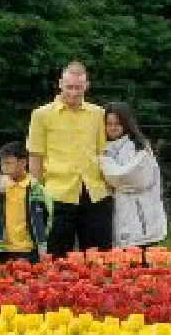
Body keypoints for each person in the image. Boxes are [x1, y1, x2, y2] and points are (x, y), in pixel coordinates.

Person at [26, 61, 112, 257]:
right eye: (70, 87)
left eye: (78, 88)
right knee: (55, 257)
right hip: (56, 194)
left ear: (86, 86)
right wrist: (37, 195)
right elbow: (36, 156)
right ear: (60, 84)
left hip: (94, 193)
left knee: (99, 258)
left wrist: (109, 186)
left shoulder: (98, 114)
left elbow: (102, 153)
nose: (73, 93)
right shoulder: (41, 115)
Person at [99, 102, 167, 256]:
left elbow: (129, 178)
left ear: (127, 124)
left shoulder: (138, 147)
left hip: (141, 219)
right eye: (108, 124)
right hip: (118, 217)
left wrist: (103, 164)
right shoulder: (103, 147)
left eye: (118, 123)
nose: (113, 128)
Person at [0, 142, 54, 264]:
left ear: (23, 163)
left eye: (8, 163)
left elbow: (48, 214)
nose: (4, 167)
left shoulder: (36, 189)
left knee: (30, 280)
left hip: (30, 249)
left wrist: (42, 238)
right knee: (6, 281)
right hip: (4, 249)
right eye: (2, 163)